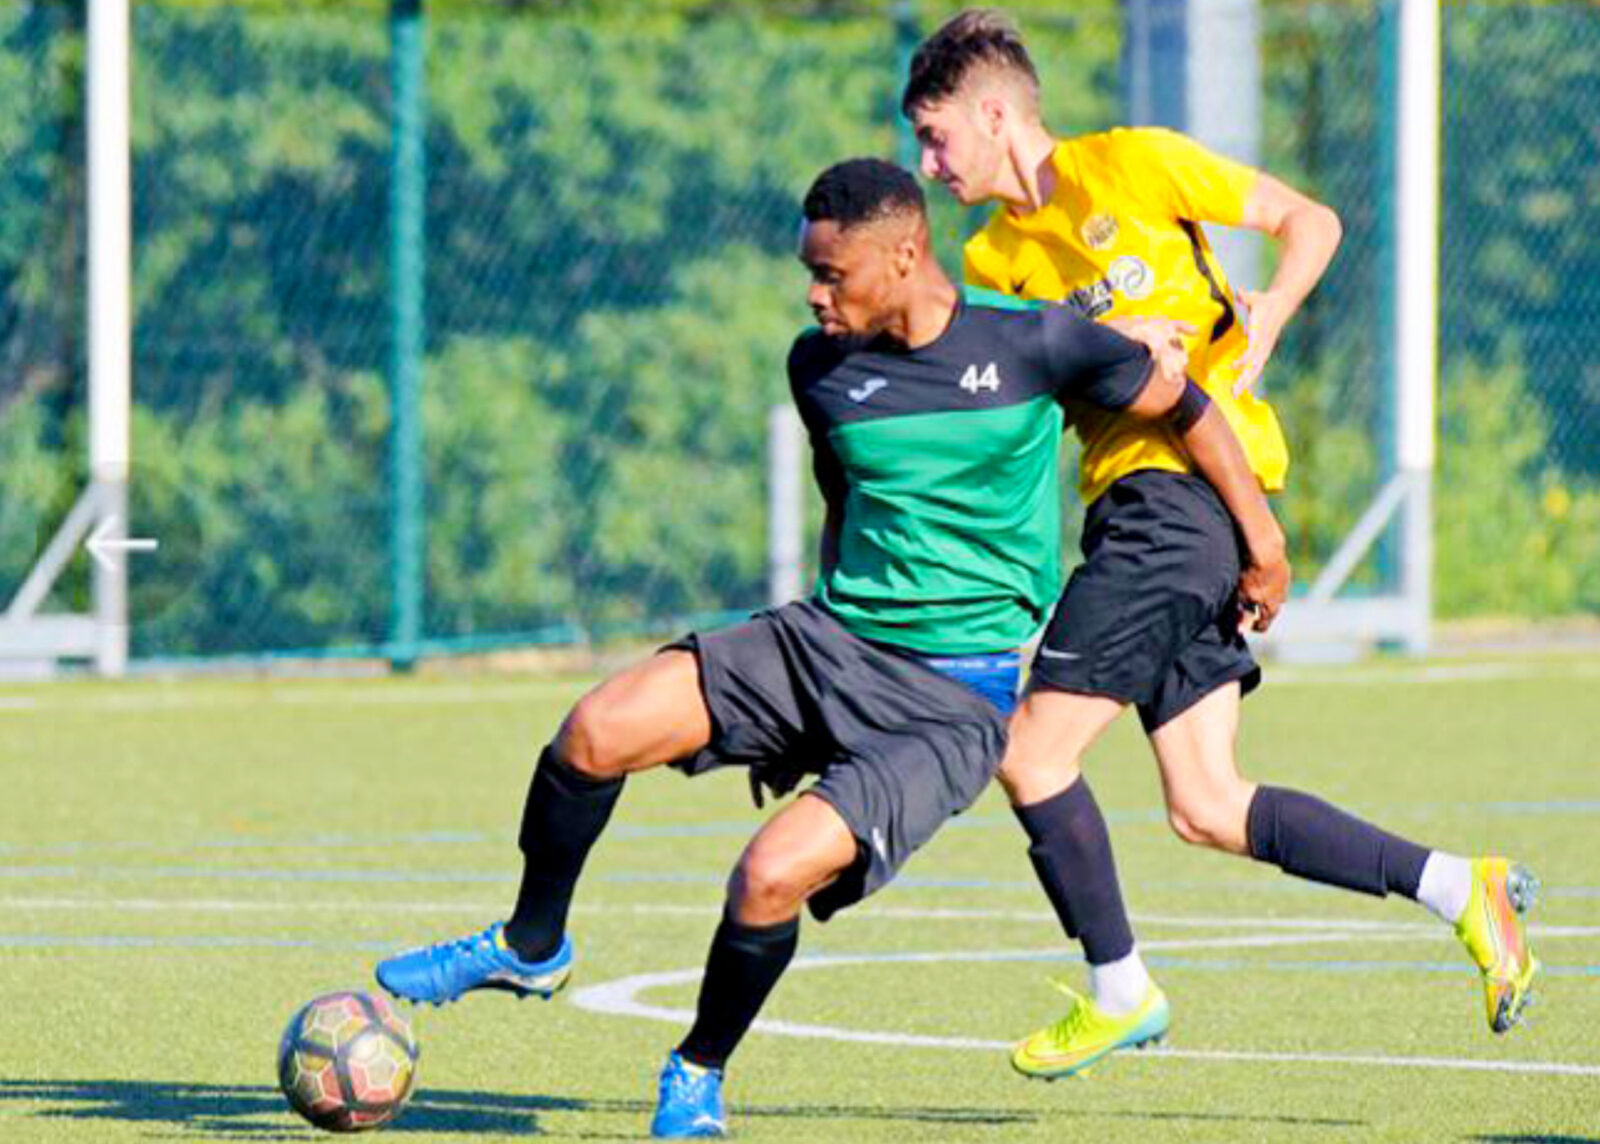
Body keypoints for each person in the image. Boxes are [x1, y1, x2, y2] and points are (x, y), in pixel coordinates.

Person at [373, 157, 1283, 1139]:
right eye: (808, 272)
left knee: (770, 873)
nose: (815, 294)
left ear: (902, 256)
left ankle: (696, 1069)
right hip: (827, 639)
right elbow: (845, 504)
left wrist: (1262, 545)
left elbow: (1185, 404)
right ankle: (530, 940)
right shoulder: (820, 365)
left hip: (952, 701)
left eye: (832, 273)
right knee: (596, 728)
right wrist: (797, 703)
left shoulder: (1034, 340)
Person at [900, 8, 1539, 1081]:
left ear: (996, 113)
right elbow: (1024, 390)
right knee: (1205, 803)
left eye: (936, 137)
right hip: (1145, 516)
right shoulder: (992, 256)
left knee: (1033, 753)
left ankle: (1121, 990)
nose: (927, 162)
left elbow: (1309, 219)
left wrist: (1275, 312)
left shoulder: (1137, 165)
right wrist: (1101, 353)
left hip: (1179, 504)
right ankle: (1457, 888)